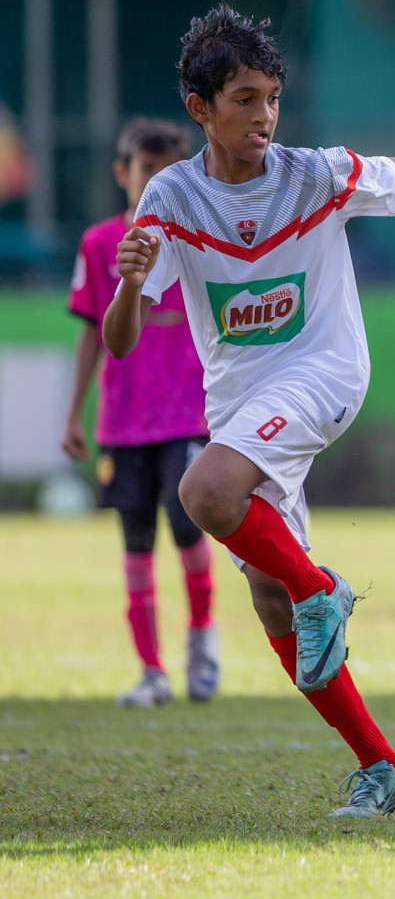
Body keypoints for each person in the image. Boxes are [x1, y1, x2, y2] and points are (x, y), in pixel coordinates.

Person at [102, 4, 395, 817]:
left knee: (206, 494)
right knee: (269, 595)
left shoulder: (313, 174)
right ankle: (383, 767)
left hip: (323, 373)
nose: (265, 116)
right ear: (199, 109)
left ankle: (325, 590)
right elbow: (120, 341)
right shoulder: (170, 198)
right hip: (243, 404)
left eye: (273, 97)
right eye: (245, 98)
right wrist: (132, 281)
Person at [63, 117, 218, 708]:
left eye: (165, 170)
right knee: (135, 541)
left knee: (187, 528)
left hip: (186, 414)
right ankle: (152, 671)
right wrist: (74, 413)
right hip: (123, 420)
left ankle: (202, 642)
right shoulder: (101, 244)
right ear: (122, 172)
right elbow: (88, 334)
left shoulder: (195, 236)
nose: (154, 180)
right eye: (145, 169)